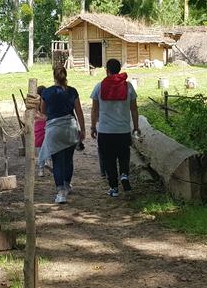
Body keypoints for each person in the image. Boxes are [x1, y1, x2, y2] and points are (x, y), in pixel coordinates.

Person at [90, 59, 140, 197]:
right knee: (124, 156)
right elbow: (134, 109)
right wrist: (136, 127)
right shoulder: (128, 86)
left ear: (107, 70)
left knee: (108, 159)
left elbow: (94, 110)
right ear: (119, 69)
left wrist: (93, 127)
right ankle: (124, 175)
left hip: (106, 131)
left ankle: (113, 188)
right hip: (123, 131)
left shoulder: (99, 86)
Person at [38, 66, 86, 204]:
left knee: (57, 161)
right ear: (65, 76)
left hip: (54, 130)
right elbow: (79, 112)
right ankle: (67, 184)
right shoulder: (72, 91)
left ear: (54, 76)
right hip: (70, 127)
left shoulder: (46, 92)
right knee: (68, 159)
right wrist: (82, 130)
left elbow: (43, 112)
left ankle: (60, 193)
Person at [34, 85, 52, 177]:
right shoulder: (48, 101)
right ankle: (48, 161)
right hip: (47, 124)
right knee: (48, 145)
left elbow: (34, 115)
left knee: (40, 148)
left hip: (37, 126)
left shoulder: (35, 103)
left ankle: (40, 170)